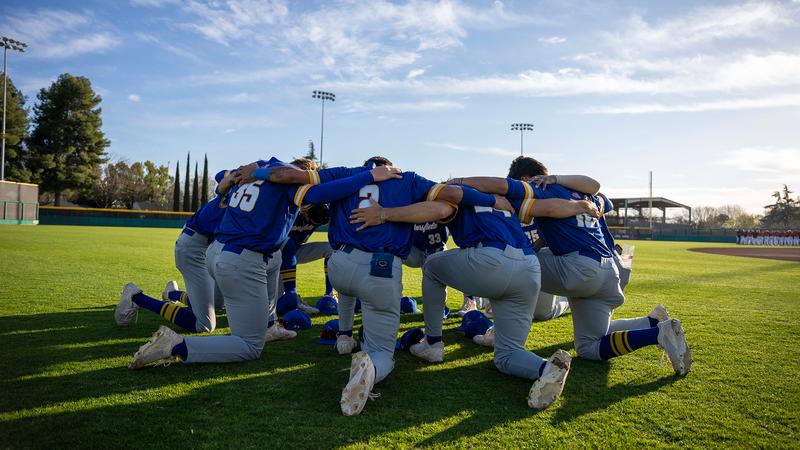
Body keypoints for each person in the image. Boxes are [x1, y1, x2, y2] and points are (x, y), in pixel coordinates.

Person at [349, 174, 600, 409]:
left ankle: (433, 344)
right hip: (529, 267)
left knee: (433, 266)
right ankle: (546, 369)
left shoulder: (456, 192)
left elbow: (447, 203)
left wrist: (385, 213)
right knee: (507, 355)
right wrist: (579, 206)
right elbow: (550, 206)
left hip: (490, 259)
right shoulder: (505, 198)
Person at [126, 158, 402, 369]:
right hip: (241, 260)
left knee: (274, 259)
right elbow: (320, 194)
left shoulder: (254, 169)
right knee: (248, 345)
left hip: (218, 252)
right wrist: (368, 176)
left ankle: (269, 324)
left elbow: (223, 177)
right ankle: (177, 345)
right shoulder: (286, 183)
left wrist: (226, 182)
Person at [297, 156, 515, 416]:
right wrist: (491, 200)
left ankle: (345, 337)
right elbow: (449, 199)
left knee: (347, 289)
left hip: (340, 262)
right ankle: (373, 368)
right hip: (379, 267)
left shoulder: (348, 174)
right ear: (389, 168)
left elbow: (308, 193)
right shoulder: (407, 179)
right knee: (381, 351)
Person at [457, 156, 692, 378]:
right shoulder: (591, 195)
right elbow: (596, 189)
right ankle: (656, 330)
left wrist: (457, 183)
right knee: (589, 347)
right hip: (607, 272)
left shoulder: (538, 188)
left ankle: (500, 331)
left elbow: (500, 186)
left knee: (511, 263)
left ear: (527, 178)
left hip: (580, 269)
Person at [115, 169, 234, 333]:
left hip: (205, 248)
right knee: (205, 325)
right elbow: (223, 176)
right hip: (193, 250)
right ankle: (136, 297)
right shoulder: (230, 198)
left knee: (217, 304)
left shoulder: (233, 197)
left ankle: (172, 294)